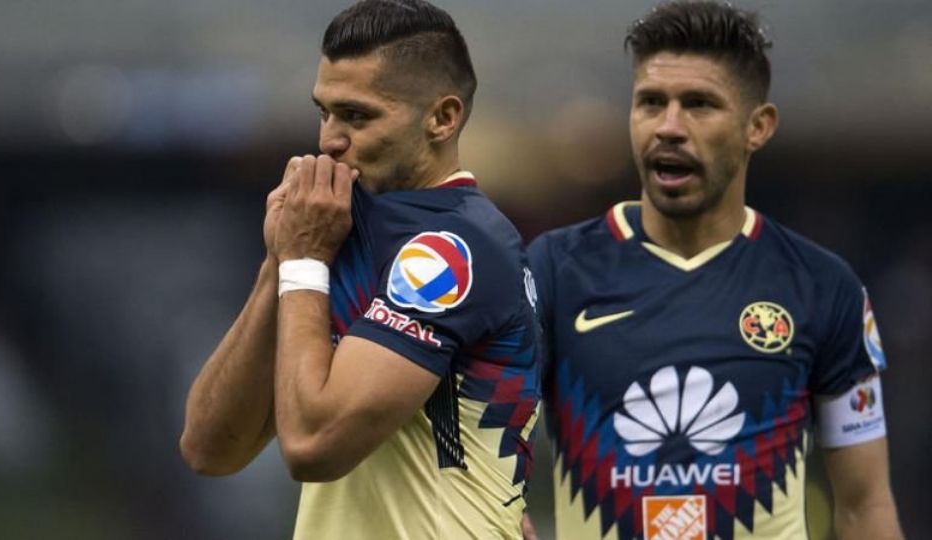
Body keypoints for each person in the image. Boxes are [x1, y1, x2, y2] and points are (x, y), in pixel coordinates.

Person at [527, 2, 903, 539]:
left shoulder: (823, 286)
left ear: (758, 127)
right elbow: (475, 426)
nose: (669, 127)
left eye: (699, 105)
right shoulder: (553, 271)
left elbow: (865, 505)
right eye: (651, 102)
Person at [178, 1, 541, 538]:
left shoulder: (454, 249)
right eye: (324, 112)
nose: (329, 140)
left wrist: (303, 260)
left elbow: (312, 445)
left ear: (442, 119)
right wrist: (280, 261)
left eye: (356, 116)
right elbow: (209, 448)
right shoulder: (334, 230)